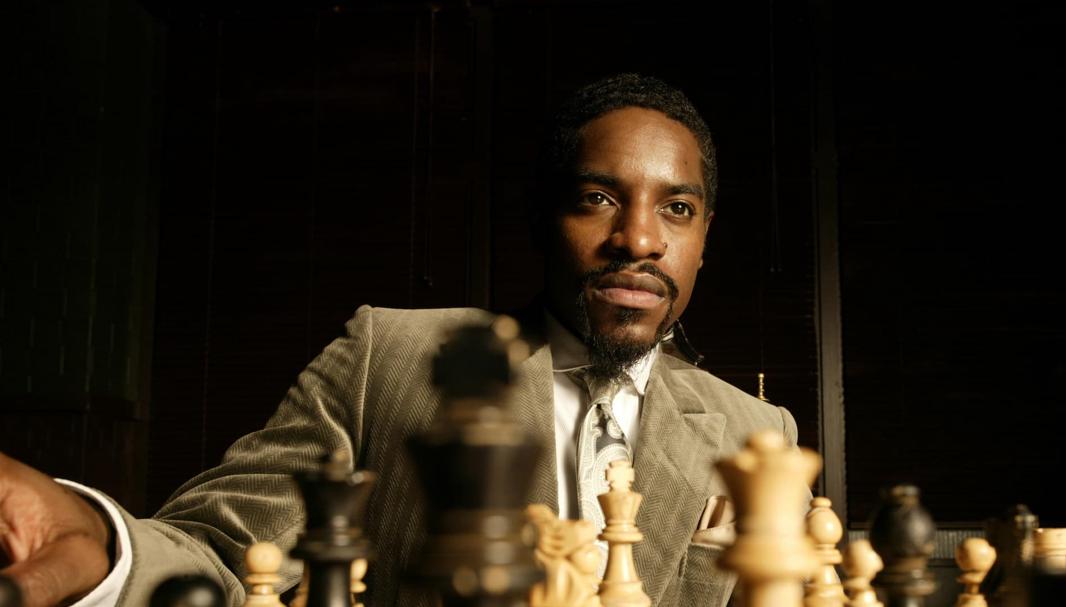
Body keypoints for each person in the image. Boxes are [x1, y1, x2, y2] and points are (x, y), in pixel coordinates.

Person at [0, 74, 799, 607]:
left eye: (677, 209)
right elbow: (224, 552)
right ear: (541, 218)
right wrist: (103, 542)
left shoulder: (758, 432)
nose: (639, 239)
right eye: (598, 197)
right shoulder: (391, 355)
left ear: (705, 237)